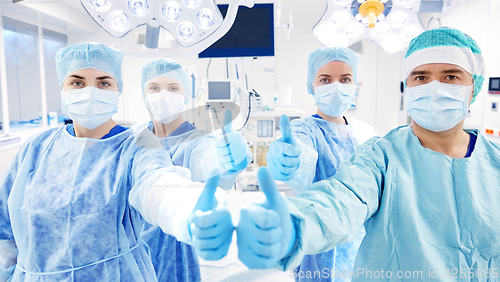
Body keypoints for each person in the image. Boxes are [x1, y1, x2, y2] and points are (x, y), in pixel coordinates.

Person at [235, 28, 500, 281]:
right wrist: (290, 224)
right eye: (420, 77)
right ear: (408, 86)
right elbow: (343, 199)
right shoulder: (382, 156)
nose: (434, 87)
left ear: (473, 87)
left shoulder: (494, 161)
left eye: (450, 76)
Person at [0, 43, 227, 282]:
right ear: (62, 88)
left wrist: (193, 210)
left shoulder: (137, 147)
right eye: (77, 82)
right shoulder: (36, 148)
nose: (89, 91)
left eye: (103, 83)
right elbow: (5, 228)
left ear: (117, 90)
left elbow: (159, 185)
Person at [265, 47, 377, 282]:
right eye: (325, 79)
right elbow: (302, 162)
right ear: (312, 86)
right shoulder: (303, 130)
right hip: (319, 247)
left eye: (345, 79)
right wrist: (290, 159)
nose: (336, 86)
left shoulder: (366, 132)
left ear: (355, 85)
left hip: (363, 249)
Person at [136, 59, 252, 282]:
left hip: (178, 257)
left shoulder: (196, 139)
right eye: (154, 88)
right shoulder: (134, 139)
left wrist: (224, 158)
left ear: (185, 95)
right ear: (144, 94)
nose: (162, 95)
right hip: (134, 259)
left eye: (172, 88)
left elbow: (205, 159)